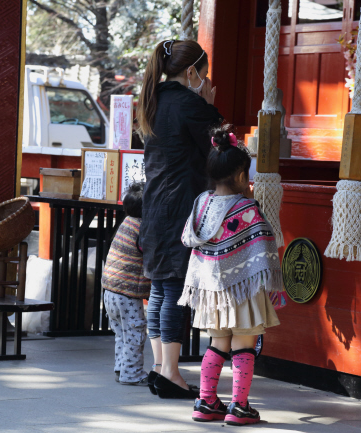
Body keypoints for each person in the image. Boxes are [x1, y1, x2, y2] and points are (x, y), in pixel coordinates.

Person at [178, 126, 284, 426]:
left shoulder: (202, 203)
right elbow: (264, 244)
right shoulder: (246, 208)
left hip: (210, 290)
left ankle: (206, 401)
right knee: (244, 346)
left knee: (216, 344)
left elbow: (189, 238)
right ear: (241, 176)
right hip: (243, 288)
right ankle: (239, 406)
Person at [136, 39, 223, 399]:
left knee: (159, 289)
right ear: (192, 72)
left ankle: (159, 367)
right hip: (180, 207)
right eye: (203, 74)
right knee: (173, 290)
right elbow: (222, 150)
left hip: (155, 205)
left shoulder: (152, 100)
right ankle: (171, 372)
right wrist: (209, 107)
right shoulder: (189, 102)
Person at [101, 182, 151, 386]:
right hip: (127, 293)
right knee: (135, 333)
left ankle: (121, 367)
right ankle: (132, 373)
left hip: (110, 290)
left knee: (122, 333)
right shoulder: (143, 228)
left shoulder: (126, 222)